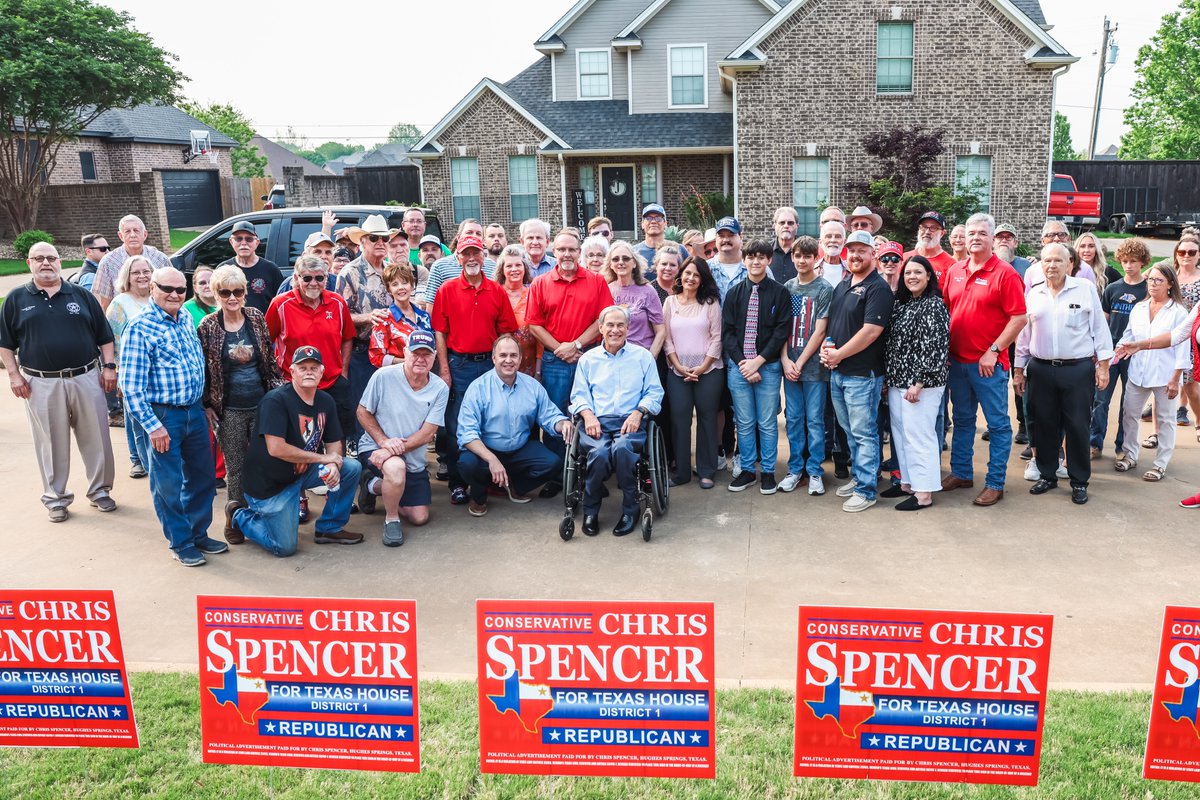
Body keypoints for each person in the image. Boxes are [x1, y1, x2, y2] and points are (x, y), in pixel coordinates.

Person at [0, 242, 117, 522]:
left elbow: (104, 336)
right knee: (50, 443)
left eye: (51, 258)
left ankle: (100, 491)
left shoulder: (81, 295)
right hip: (40, 383)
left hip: (86, 376)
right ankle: (56, 498)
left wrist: (109, 367)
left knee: (97, 438)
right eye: (38, 258)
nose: (46, 263)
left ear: (60, 262)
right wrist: (14, 376)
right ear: (29, 263)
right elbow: (5, 344)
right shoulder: (16, 299)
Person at [119, 266, 223, 567]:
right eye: (167, 289)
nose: (175, 295)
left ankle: (198, 533)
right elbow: (131, 388)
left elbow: (194, 367)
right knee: (168, 484)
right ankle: (181, 542)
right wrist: (153, 427)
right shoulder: (140, 328)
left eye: (180, 290)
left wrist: (203, 405)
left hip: (193, 412)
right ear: (153, 288)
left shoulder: (186, 318)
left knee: (203, 477)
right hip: (163, 417)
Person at [225, 346, 363, 555]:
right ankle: (238, 515)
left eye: (314, 367)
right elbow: (276, 448)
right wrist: (325, 458)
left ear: (322, 372)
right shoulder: (275, 400)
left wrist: (333, 464)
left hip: (301, 472)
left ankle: (329, 528)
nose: (309, 371)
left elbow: (335, 443)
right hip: (270, 486)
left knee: (350, 467)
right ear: (292, 371)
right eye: (303, 367)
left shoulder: (325, 400)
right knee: (284, 547)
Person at [1013, 243, 1113, 505]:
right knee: (1044, 423)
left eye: (1058, 260)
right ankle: (1047, 474)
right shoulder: (1034, 294)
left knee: (1078, 425)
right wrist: (1018, 370)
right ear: (1041, 265)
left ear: (1070, 263)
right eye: (1047, 261)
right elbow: (1025, 335)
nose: (1052, 265)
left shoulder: (1085, 289)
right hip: (1041, 368)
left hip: (1077, 369)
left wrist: (1103, 366)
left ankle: (1079, 481)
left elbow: (1100, 330)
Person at [941, 213, 1027, 507]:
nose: (975, 237)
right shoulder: (956, 270)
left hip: (988, 365)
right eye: (971, 233)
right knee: (963, 420)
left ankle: (995, 483)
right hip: (957, 362)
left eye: (982, 233)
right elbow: (947, 310)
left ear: (992, 239)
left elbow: (1019, 318)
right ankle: (962, 472)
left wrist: (993, 349)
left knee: (998, 425)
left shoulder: (1005, 274)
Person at [266, 256, 356, 531]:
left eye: (319, 278)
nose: (313, 283)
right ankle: (300, 498)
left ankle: (333, 490)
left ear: (327, 278)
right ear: (296, 279)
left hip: (330, 383)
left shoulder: (337, 303)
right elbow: (267, 339)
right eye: (307, 278)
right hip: (292, 386)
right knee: (299, 443)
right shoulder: (280, 305)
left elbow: (347, 337)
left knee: (336, 439)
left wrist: (343, 372)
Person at [431, 234, 519, 504]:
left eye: (475, 253)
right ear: (458, 257)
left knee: (491, 420)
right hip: (459, 365)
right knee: (457, 425)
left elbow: (507, 331)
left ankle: (490, 478)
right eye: (465, 253)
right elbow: (439, 332)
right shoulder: (447, 290)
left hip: (488, 363)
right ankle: (459, 484)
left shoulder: (496, 290)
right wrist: (444, 369)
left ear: (483, 256)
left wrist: (504, 366)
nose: (471, 258)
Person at [570, 306, 664, 537]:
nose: (615, 330)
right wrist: (588, 415)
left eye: (620, 325)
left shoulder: (642, 357)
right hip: (596, 422)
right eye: (610, 325)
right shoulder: (588, 360)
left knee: (622, 450)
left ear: (628, 328)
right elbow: (579, 395)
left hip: (630, 422)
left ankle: (630, 510)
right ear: (600, 328)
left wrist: (639, 412)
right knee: (600, 454)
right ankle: (591, 511)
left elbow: (654, 392)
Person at [457, 334, 573, 516]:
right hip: (487, 449)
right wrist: (492, 459)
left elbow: (549, 415)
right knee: (467, 463)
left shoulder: (532, 386)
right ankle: (479, 495)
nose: (508, 360)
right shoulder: (478, 388)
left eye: (513, 356)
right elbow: (466, 434)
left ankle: (514, 486)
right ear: (494, 358)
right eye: (503, 355)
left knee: (553, 463)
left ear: (520, 359)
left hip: (519, 449)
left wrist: (562, 423)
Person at [819, 230, 893, 512]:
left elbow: (871, 332)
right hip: (838, 372)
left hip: (862, 375)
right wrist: (828, 350)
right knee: (850, 432)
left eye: (862, 250)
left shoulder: (877, 288)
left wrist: (838, 354)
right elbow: (836, 325)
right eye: (852, 250)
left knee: (864, 434)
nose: (856, 255)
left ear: (873, 254)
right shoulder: (844, 284)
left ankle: (866, 489)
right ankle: (863, 476)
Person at [198, 265, 283, 507]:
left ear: (245, 292)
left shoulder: (256, 317)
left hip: (262, 403)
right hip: (229, 410)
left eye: (238, 291)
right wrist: (207, 404)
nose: (232, 298)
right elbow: (203, 369)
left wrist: (277, 399)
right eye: (225, 293)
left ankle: (265, 510)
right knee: (235, 467)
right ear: (216, 294)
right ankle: (236, 515)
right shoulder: (208, 326)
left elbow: (269, 360)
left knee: (267, 460)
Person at [526, 228, 611, 465]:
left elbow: (603, 319)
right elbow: (534, 324)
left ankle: (591, 470)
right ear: (554, 251)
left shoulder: (596, 281)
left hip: (590, 356)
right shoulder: (540, 283)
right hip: (555, 361)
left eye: (572, 249)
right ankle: (558, 472)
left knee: (593, 412)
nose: (566, 254)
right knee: (557, 414)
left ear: (579, 252)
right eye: (561, 249)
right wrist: (560, 349)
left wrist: (575, 345)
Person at [356, 330, 448, 545]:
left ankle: (371, 485)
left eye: (426, 354)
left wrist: (390, 449)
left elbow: (427, 434)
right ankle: (391, 520)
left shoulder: (439, 388)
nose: (420, 359)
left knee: (419, 517)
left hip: (409, 458)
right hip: (374, 447)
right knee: (396, 469)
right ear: (405, 353)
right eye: (415, 353)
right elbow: (362, 412)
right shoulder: (383, 376)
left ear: (435, 356)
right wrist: (383, 442)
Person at [882, 256, 950, 511]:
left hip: (922, 384)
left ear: (929, 276)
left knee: (920, 436)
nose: (912, 276)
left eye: (918, 272)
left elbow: (936, 348)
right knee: (901, 435)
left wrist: (918, 382)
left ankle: (924, 493)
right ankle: (908, 483)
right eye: (908, 272)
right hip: (899, 381)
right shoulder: (904, 304)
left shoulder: (934, 305)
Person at [723, 239, 790, 494]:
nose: (756, 261)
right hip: (739, 369)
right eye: (751, 257)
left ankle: (769, 472)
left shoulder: (780, 292)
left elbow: (781, 331)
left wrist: (758, 361)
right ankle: (748, 470)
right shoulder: (734, 293)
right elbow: (727, 332)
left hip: (768, 367)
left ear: (769, 261)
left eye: (761, 257)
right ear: (744, 260)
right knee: (744, 421)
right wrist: (743, 363)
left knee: (767, 422)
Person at [1113, 263, 1189, 481]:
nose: (1153, 284)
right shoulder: (1139, 308)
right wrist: (1117, 350)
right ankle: (1130, 455)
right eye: (1150, 280)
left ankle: (1160, 463)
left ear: (1170, 284)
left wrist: (1176, 378)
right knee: (1129, 414)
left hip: (1165, 375)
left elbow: (1183, 347)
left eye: (1159, 280)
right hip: (1138, 372)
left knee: (1166, 419)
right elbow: (1129, 336)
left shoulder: (1178, 312)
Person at [663, 256, 724, 489]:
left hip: (708, 371)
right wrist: (678, 365)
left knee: (707, 418)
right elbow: (667, 338)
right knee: (679, 418)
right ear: (680, 276)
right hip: (677, 370)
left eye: (696, 275)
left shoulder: (710, 302)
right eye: (687, 273)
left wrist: (703, 366)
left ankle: (707, 470)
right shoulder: (670, 303)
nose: (691, 278)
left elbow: (717, 338)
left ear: (702, 279)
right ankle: (681, 472)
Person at [780, 236, 832, 496]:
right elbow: (781, 328)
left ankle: (814, 471)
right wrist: (785, 360)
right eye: (798, 255)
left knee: (814, 420)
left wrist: (799, 361)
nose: (802, 260)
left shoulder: (824, 289)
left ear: (816, 259)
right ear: (793, 257)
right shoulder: (788, 288)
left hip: (813, 369)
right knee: (794, 420)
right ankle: (794, 470)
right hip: (790, 367)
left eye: (808, 256)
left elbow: (820, 330)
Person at [1091, 238, 1151, 460]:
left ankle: (1122, 446)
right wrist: (1101, 352)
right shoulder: (1113, 288)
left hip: (1135, 353)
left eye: (1133, 261)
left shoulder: (1148, 289)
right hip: (1111, 353)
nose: (1128, 265)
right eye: (1125, 260)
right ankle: (1095, 442)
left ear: (1142, 262)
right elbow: (1103, 323)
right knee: (1100, 400)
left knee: (1129, 403)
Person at [341, 214, 399, 430]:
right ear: (362, 241)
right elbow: (342, 316)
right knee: (363, 406)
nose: (381, 243)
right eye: (374, 238)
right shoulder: (349, 273)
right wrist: (368, 317)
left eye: (385, 238)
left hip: (391, 352)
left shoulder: (393, 269)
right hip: (362, 352)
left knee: (390, 406)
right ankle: (366, 457)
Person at [107, 255, 154, 478]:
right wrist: (118, 374)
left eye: (146, 271)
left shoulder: (158, 298)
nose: (142, 276)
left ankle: (152, 457)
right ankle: (137, 460)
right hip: (131, 370)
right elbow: (113, 343)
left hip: (156, 372)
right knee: (134, 418)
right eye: (136, 272)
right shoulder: (119, 304)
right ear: (128, 277)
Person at [91, 214, 172, 312]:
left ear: (145, 234)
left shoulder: (160, 259)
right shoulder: (108, 262)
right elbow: (104, 301)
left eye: (136, 230)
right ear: (121, 236)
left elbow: (172, 291)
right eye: (127, 231)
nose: (132, 235)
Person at [605, 240, 665, 355]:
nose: (621, 262)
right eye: (615, 259)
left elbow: (661, 331)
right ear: (610, 265)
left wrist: (650, 358)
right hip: (613, 356)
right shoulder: (606, 290)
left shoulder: (648, 290)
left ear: (634, 263)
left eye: (626, 258)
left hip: (641, 356)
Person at [369, 262, 432, 369]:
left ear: (412, 286)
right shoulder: (384, 318)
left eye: (404, 283)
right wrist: (407, 362)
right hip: (396, 377)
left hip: (424, 375)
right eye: (395, 284)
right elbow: (376, 357)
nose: (400, 288)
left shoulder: (424, 316)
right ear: (389, 290)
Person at [494, 245, 540, 377]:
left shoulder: (534, 294)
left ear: (525, 267)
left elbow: (540, 336)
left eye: (518, 265)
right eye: (509, 266)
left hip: (528, 365)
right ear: (502, 269)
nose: (514, 269)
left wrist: (538, 370)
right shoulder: (494, 293)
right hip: (499, 364)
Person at [218, 221, 283, 314]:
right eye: (238, 239)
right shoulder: (223, 269)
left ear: (257, 242)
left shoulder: (271, 269)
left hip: (264, 326)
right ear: (231, 241)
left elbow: (281, 304)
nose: (243, 243)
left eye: (249, 239)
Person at [1170, 233, 1200, 429]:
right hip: (1169, 337)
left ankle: (1199, 421)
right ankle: (1158, 431)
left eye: (1191, 252)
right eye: (1182, 251)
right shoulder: (1169, 275)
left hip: (1191, 340)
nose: (1186, 255)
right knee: (1162, 385)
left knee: (1191, 388)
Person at [422, 219, 486, 307]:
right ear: (458, 237)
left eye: (478, 234)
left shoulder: (492, 265)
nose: (474, 236)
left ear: (483, 240)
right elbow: (432, 305)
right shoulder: (439, 266)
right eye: (469, 232)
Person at [903, 211, 956, 282]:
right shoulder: (905, 258)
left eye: (933, 228)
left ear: (942, 233)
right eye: (924, 227)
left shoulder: (951, 265)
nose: (927, 232)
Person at [770, 207, 800, 283]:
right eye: (782, 223)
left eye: (790, 223)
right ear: (775, 225)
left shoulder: (806, 251)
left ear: (797, 225)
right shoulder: (765, 251)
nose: (786, 226)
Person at [818, 221, 849, 286]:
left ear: (844, 242)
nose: (833, 240)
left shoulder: (852, 271)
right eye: (828, 236)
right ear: (820, 242)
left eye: (838, 236)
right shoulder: (810, 270)